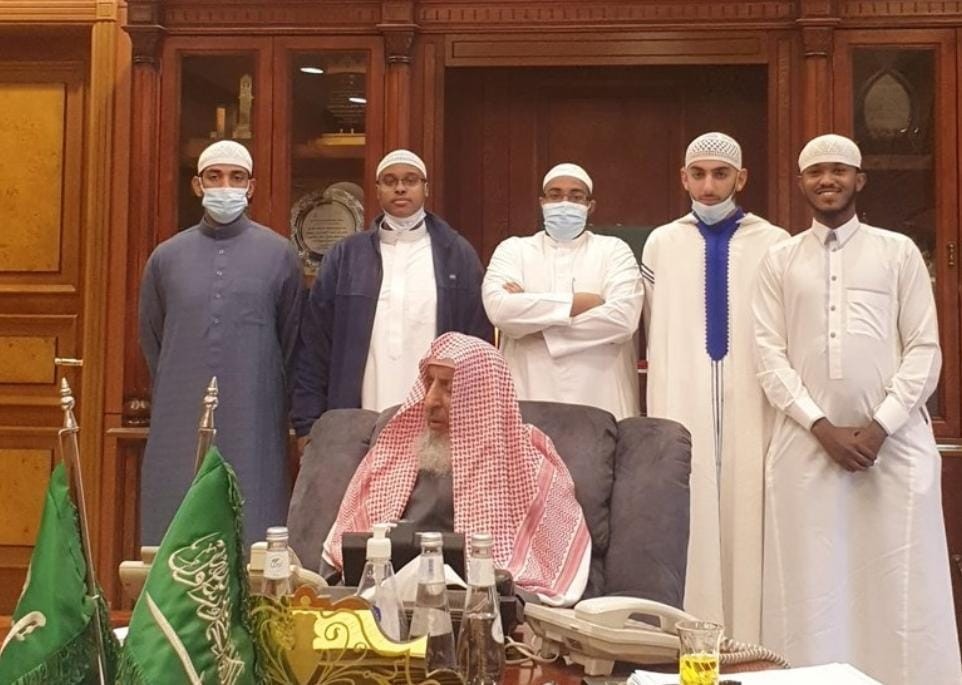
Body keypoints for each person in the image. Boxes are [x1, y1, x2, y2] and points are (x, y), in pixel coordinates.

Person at [753, 133, 962, 683]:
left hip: (893, 450)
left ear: (859, 180)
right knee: (811, 584)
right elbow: (769, 356)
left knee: (901, 586)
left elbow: (925, 349)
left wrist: (879, 427)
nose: (828, 179)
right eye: (816, 171)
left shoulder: (898, 252)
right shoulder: (779, 260)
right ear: (801, 183)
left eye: (839, 170)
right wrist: (821, 427)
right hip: (806, 449)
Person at [641, 132, 788, 640]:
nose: (708, 186)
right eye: (698, 174)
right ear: (683, 178)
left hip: (754, 399)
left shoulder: (775, 243)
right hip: (681, 392)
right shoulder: (662, 243)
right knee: (690, 504)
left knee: (751, 510)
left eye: (720, 174)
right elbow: (655, 321)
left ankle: (753, 643)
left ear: (740, 178)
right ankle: (690, 642)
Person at [322, 332, 591, 606]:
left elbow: (548, 570)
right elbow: (341, 557)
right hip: (385, 597)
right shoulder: (394, 452)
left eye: (448, 389)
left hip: (476, 604)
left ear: (481, 397)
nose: (430, 401)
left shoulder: (525, 460)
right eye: (429, 383)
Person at [139, 140, 303, 547]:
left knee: (252, 528)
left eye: (236, 177)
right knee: (175, 529)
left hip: (255, 416)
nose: (225, 186)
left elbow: (291, 341)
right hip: (179, 415)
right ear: (197, 185)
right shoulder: (166, 258)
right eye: (214, 177)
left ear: (251, 187)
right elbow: (154, 341)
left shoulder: (280, 254)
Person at [292, 149, 491, 448]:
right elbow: (315, 344)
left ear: (426, 188)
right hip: (359, 418)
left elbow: (478, 346)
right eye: (390, 181)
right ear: (377, 190)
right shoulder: (346, 256)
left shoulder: (456, 255)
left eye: (410, 180)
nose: (400, 188)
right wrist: (307, 422)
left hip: (435, 421)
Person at [482, 163, 642, 420]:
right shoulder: (513, 250)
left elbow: (623, 320)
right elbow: (500, 310)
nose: (564, 203)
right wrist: (584, 303)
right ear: (542, 202)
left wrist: (532, 320)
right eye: (555, 195)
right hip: (528, 393)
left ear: (590, 206)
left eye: (576, 197)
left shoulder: (614, 250)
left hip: (600, 396)